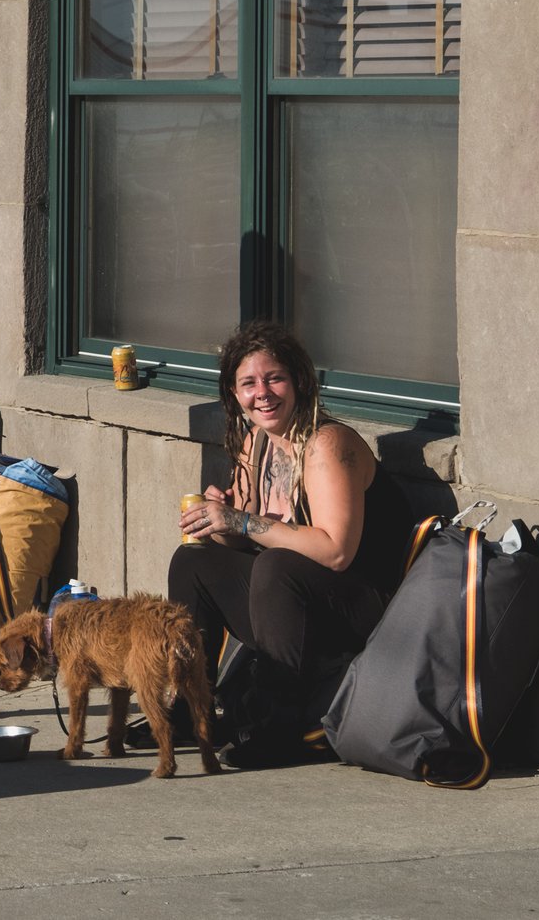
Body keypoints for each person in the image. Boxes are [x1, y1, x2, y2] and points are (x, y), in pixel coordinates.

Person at [170, 320, 410, 767]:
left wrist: (241, 520)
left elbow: (336, 551)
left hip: (366, 610)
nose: (263, 392)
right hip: (291, 606)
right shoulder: (256, 441)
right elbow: (242, 539)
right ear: (234, 395)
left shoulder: (327, 444)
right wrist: (218, 522)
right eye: (248, 384)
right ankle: (192, 712)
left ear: (298, 380)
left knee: (276, 566)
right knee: (194, 560)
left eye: (274, 378)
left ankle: (279, 729)